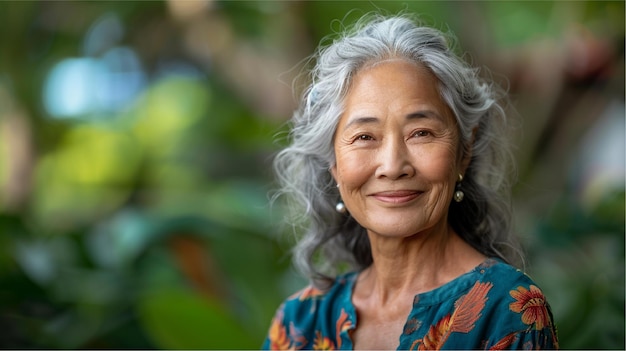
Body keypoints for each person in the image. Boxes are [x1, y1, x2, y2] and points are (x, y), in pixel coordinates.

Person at [263, 12, 559, 350]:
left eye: (421, 133)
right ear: (333, 162)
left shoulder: (506, 311)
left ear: (465, 150)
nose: (392, 166)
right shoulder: (301, 321)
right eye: (364, 137)